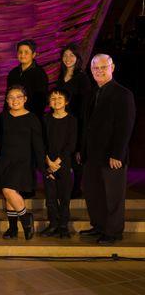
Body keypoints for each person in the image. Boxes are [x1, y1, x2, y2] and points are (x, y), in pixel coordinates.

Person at [80, 54, 135, 245]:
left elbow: (125, 126)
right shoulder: (92, 93)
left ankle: (113, 232)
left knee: (113, 196)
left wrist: (117, 153)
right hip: (92, 155)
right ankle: (99, 226)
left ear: (112, 67)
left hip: (112, 156)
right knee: (94, 193)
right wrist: (82, 150)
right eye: (95, 68)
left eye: (103, 67)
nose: (99, 71)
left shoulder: (123, 94)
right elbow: (87, 126)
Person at [0, 85, 45, 240]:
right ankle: (12, 228)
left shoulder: (32, 118)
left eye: (18, 97)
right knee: (10, 194)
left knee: (8, 190)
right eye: (11, 97)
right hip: (5, 160)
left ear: (25, 99)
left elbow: (38, 144)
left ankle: (25, 218)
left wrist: (42, 167)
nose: (14, 100)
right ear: (6, 100)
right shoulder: (2, 117)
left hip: (23, 161)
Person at [55, 43, 92, 198]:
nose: (68, 58)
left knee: (76, 156)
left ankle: (76, 188)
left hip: (76, 122)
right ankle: (62, 187)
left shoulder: (82, 78)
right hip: (61, 121)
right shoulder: (61, 77)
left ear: (77, 58)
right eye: (65, 55)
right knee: (62, 154)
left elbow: (85, 106)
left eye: (71, 55)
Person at [41, 89, 77, 239]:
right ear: (49, 102)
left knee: (64, 197)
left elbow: (71, 144)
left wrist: (58, 162)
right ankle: (53, 224)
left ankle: (63, 225)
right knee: (50, 197)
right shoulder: (45, 119)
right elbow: (41, 142)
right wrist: (48, 161)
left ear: (66, 101)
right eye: (53, 98)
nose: (56, 101)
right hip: (48, 163)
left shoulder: (72, 120)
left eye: (60, 98)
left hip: (64, 163)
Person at [6, 39, 49, 119]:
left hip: (31, 116)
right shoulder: (13, 73)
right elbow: (8, 95)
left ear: (33, 54)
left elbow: (41, 100)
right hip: (13, 114)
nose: (22, 55)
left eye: (26, 52)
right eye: (20, 52)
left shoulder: (40, 73)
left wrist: (33, 117)